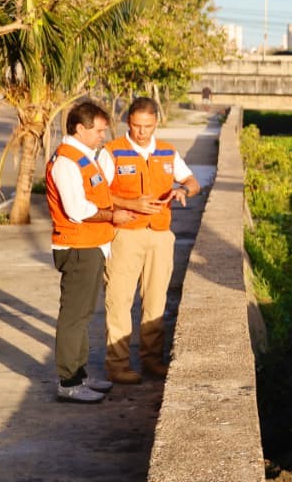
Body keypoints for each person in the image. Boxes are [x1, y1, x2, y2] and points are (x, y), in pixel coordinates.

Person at [102, 97, 200, 384]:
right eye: (136, 126)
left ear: (156, 122)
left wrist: (183, 190)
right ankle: (117, 364)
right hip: (125, 235)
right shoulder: (112, 152)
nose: (142, 132)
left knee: (156, 302)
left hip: (160, 235)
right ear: (128, 123)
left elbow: (192, 182)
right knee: (119, 301)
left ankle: (152, 360)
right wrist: (129, 203)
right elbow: (98, 193)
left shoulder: (167, 152)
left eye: (147, 126)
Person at [46, 100, 136, 403]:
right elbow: (77, 210)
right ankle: (69, 382)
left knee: (83, 314)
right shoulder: (67, 161)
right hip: (77, 247)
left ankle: (80, 374)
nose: (102, 136)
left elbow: (97, 195)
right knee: (74, 316)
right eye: (98, 131)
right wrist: (113, 216)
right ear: (79, 128)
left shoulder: (85, 156)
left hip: (91, 245)